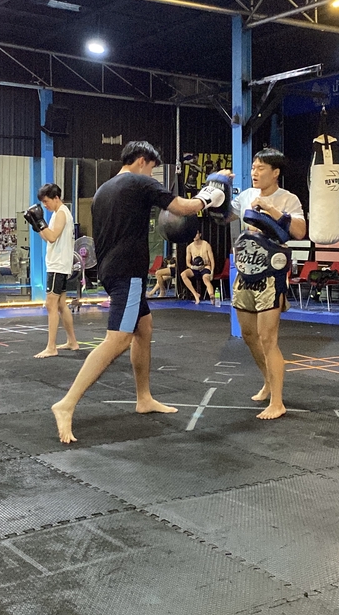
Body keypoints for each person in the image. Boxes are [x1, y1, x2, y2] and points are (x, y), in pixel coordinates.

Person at [51, 140, 231, 443]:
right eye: (151, 168)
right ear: (142, 161)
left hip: (110, 269)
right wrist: (209, 193)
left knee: (143, 328)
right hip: (127, 272)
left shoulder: (103, 190)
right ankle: (66, 404)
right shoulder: (140, 182)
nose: (152, 174)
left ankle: (144, 398)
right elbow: (182, 208)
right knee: (118, 339)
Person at [230, 148, 306, 421]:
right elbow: (224, 215)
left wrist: (271, 209)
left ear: (275, 172)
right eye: (253, 167)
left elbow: (299, 232)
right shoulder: (246, 196)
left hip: (271, 275)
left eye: (260, 168)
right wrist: (217, 191)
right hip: (245, 271)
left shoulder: (288, 199)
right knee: (249, 334)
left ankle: (277, 402)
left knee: (267, 338)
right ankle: (267, 381)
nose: (254, 172)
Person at [24, 183, 79, 358]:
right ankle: (72, 341)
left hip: (58, 265)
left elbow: (53, 237)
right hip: (58, 263)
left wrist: (40, 222)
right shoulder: (58, 213)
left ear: (56, 198)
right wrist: (36, 225)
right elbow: (48, 237)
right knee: (61, 304)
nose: (45, 205)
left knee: (51, 304)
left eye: (46, 201)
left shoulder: (61, 213)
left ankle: (51, 347)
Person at [180, 231, 215, 304]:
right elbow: (187, 263)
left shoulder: (206, 245)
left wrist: (212, 272)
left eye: (196, 234)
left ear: (200, 235)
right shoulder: (189, 247)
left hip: (205, 267)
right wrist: (193, 267)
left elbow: (212, 260)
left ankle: (212, 296)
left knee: (205, 279)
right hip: (195, 268)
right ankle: (195, 294)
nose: (195, 236)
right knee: (183, 274)